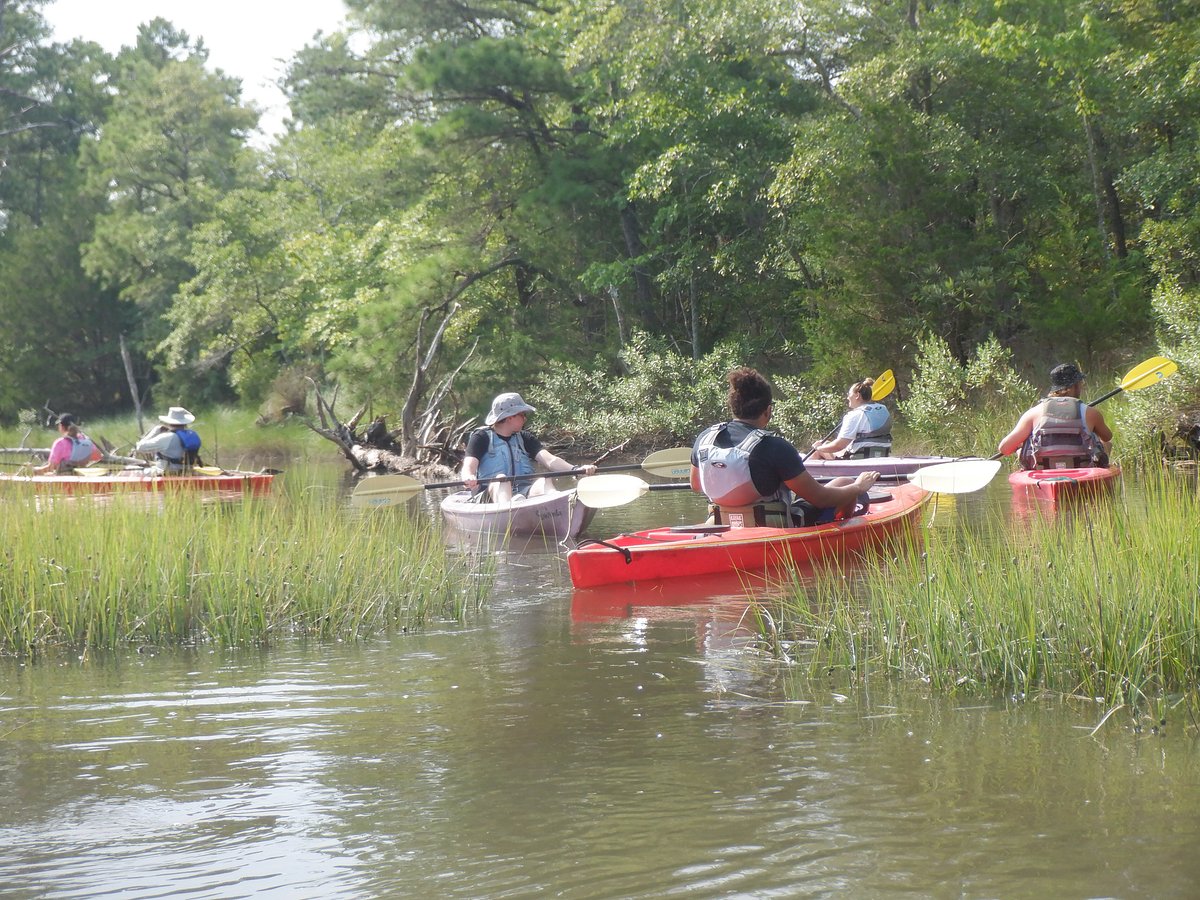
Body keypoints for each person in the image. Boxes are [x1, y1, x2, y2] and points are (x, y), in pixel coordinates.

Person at [690, 367, 879, 528]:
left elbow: (696, 486)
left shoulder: (705, 438)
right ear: (768, 410)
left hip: (721, 524)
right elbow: (821, 498)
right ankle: (844, 531)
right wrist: (858, 487)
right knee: (845, 482)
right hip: (774, 529)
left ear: (733, 407)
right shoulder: (775, 447)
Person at [460, 392, 597, 502]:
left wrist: (576, 470)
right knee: (502, 479)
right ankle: (509, 512)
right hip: (489, 495)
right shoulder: (481, 437)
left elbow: (550, 460)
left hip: (522, 492)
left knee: (544, 480)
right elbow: (469, 467)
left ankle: (557, 506)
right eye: (522, 415)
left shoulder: (525, 438)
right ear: (510, 417)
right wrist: (468, 477)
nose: (525, 418)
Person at [998, 363, 1112, 470]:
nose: (1081, 387)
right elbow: (1107, 437)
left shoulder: (1033, 413)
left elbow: (1004, 448)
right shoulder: (1091, 413)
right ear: (1072, 387)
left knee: (1021, 448)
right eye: (1080, 383)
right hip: (1082, 467)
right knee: (1106, 444)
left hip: (1043, 469)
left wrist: (1020, 447)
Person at [809, 377, 893, 460]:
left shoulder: (854, 415)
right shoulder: (883, 409)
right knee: (826, 443)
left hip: (858, 458)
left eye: (849, 394)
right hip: (882, 454)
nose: (847, 398)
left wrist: (819, 448)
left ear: (857, 395)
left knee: (817, 451)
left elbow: (839, 445)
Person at [135, 406, 203, 473]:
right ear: (184, 423)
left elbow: (140, 447)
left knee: (135, 472)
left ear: (169, 422)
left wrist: (155, 431)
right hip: (188, 472)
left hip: (167, 472)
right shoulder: (191, 435)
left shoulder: (166, 437)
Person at [32, 413, 101, 475]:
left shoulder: (60, 443)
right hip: (81, 477)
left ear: (61, 426)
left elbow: (51, 467)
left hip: (64, 480)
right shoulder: (85, 440)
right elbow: (97, 456)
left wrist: (35, 470)